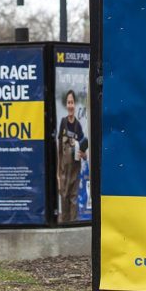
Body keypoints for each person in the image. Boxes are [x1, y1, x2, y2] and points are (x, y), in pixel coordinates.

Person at [56, 90, 88, 223]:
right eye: (68, 102)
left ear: (75, 105)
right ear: (66, 104)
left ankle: (73, 226)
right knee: (64, 199)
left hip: (75, 173)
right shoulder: (63, 123)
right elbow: (59, 151)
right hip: (63, 173)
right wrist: (58, 175)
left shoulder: (78, 126)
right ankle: (64, 226)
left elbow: (85, 155)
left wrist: (84, 155)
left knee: (73, 200)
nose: (70, 105)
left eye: (72, 102)